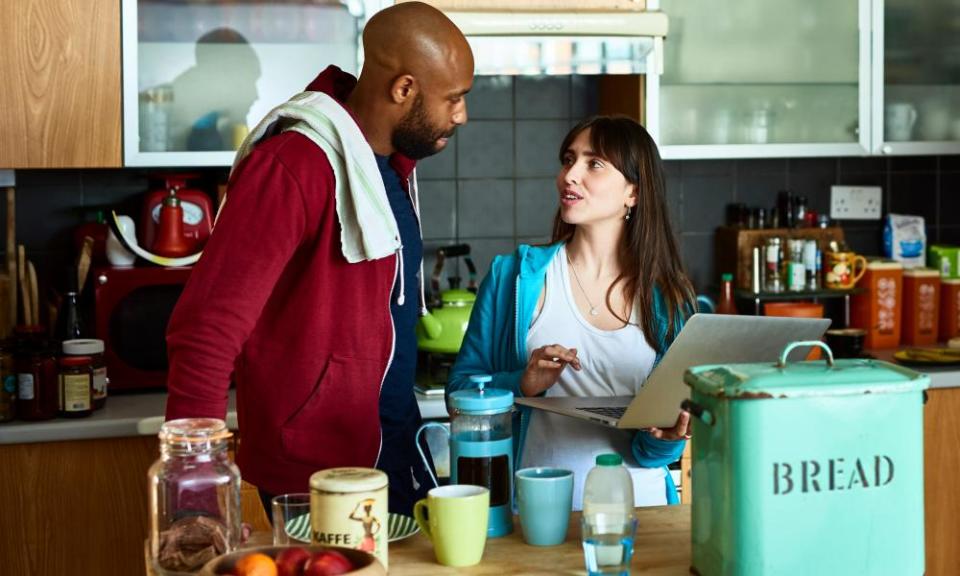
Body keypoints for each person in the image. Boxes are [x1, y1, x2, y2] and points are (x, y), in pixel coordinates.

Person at [164, 1, 474, 517]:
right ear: (404, 89)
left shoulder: (387, 169)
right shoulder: (292, 165)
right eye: (454, 98)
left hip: (389, 456)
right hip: (312, 480)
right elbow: (205, 331)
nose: (462, 114)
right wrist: (194, 494)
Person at [448, 115, 694, 508]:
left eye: (593, 163)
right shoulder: (512, 276)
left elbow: (654, 453)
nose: (569, 175)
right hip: (532, 512)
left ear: (633, 192)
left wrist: (665, 437)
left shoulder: (667, 296)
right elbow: (458, 394)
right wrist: (522, 384)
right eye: (568, 160)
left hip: (642, 512)